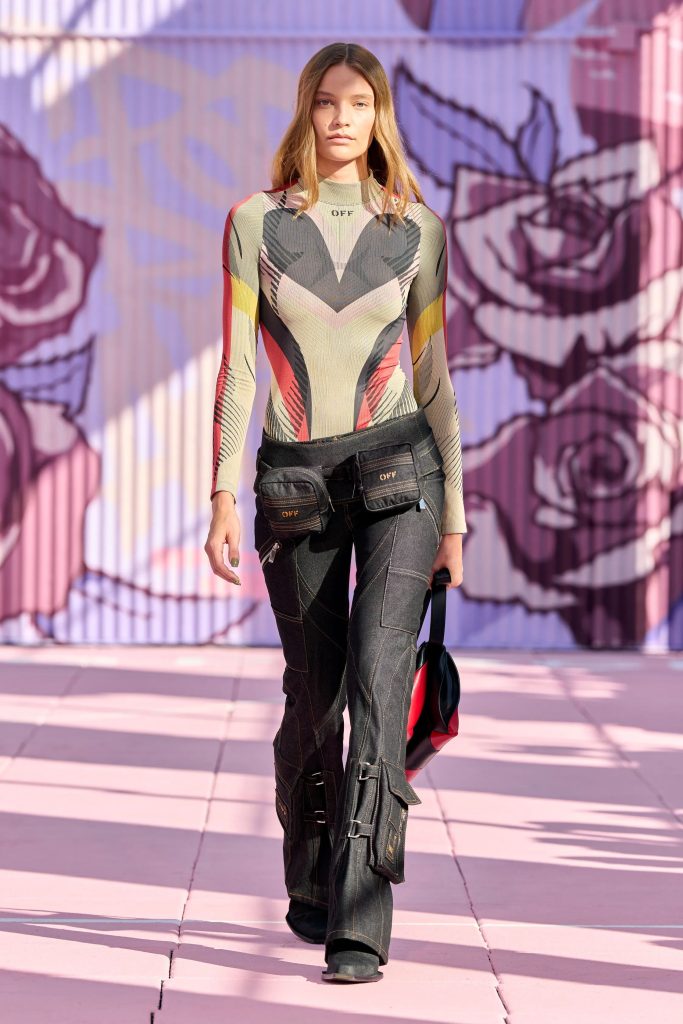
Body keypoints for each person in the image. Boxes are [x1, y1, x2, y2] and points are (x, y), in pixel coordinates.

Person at [205, 41, 466, 983]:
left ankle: (361, 913)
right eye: (327, 101)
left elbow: (433, 379)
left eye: (358, 102)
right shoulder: (255, 223)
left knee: (378, 682)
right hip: (295, 483)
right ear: (306, 111)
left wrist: (453, 519)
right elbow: (239, 368)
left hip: (401, 471)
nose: (342, 117)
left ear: (378, 115)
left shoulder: (419, 230)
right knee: (312, 697)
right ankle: (312, 870)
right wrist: (221, 491)